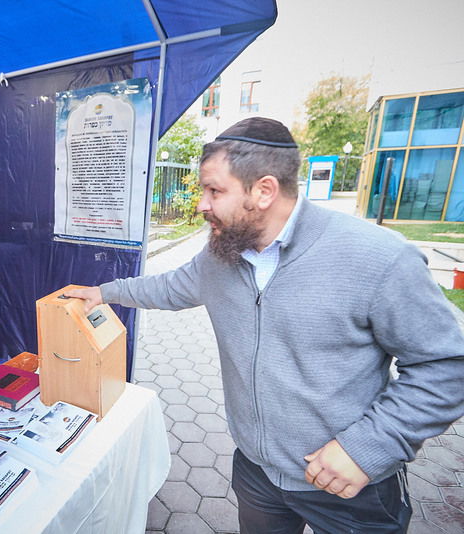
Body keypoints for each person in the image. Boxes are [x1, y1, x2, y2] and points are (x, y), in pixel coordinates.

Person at [66, 117, 464, 533]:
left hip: (351, 485)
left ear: (264, 191)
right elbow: (169, 286)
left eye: (214, 191)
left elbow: (445, 367)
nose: (202, 204)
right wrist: (104, 293)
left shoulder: (379, 257)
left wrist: (368, 448)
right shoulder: (220, 254)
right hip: (256, 474)